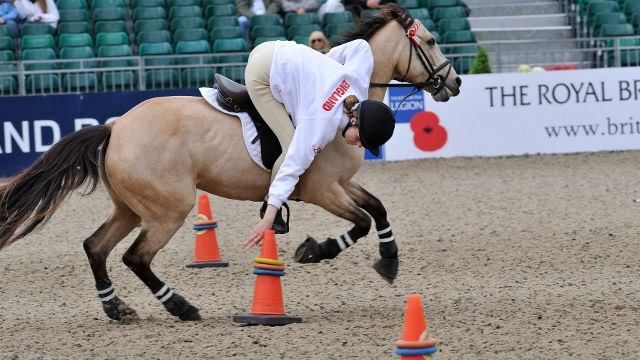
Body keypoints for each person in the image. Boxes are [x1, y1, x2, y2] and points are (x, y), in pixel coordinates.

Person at [242, 39, 396, 248]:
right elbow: (293, 164)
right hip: (261, 74)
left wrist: (324, 63)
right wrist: (269, 215)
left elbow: (361, 47)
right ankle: (273, 211)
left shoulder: (358, 83)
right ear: (355, 120)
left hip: (273, 47)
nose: (359, 146)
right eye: (361, 140)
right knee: (289, 146)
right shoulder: (322, 123)